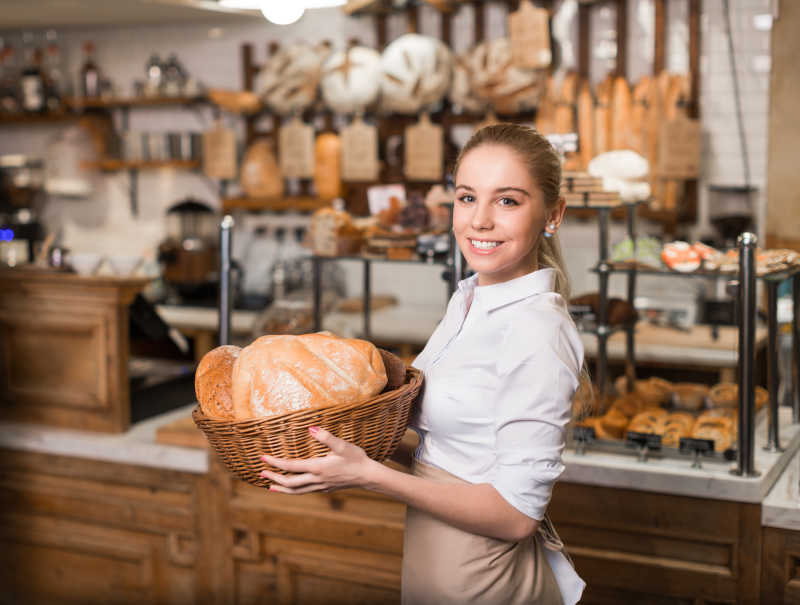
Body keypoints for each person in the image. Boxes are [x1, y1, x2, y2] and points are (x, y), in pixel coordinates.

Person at [260, 123, 586, 604]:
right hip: (437, 576)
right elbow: (452, 452)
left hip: (488, 584)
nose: (479, 220)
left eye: (508, 201)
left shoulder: (537, 330)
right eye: (467, 197)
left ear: (552, 214)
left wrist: (368, 475)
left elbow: (516, 516)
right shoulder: (469, 299)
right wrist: (352, 441)